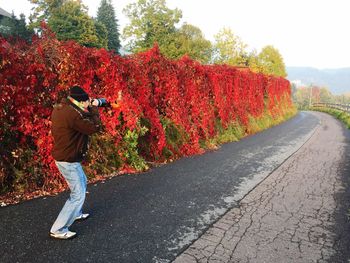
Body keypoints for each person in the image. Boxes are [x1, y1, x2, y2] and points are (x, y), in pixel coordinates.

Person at [49, 85, 102, 240]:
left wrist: (86, 106)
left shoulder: (61, 108)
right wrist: (93, 109)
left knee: (82, 182)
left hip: (66, 156)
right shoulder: (72, 114)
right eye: (86, 102)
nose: (88, 103)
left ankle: (76, 212)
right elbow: (94, 128)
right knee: (78, 194)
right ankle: (58, 229)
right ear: (80, 101)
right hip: (67, 159)